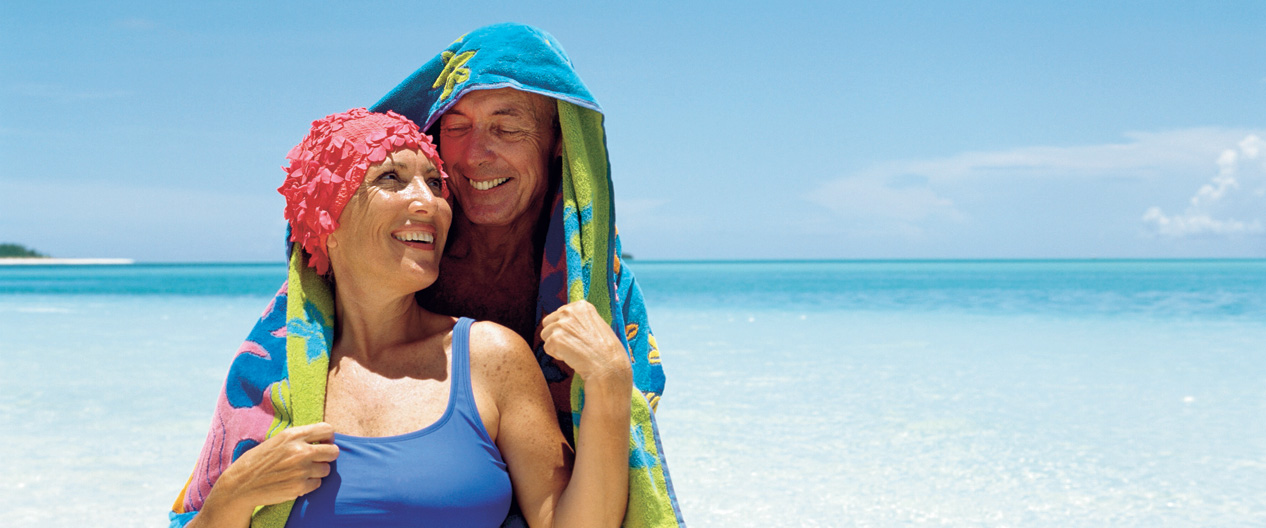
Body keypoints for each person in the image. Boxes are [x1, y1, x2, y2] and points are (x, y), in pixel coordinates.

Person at [170, 108, 629, 527]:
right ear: (325, 222)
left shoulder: (489, 357)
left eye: (435, 183)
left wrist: (609, 386)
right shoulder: (274, 380)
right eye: (391, 179)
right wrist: (232, 495)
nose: (428, 202)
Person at [371, 24, 684, 526]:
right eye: (455, 127)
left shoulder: (598, 287)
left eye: (507, 127)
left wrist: (610, 377)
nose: (474, 155)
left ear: (560, 140)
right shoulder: (398, 254)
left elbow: (614, 455)